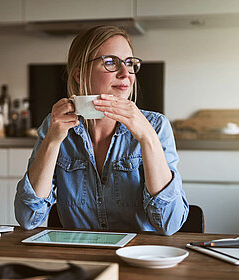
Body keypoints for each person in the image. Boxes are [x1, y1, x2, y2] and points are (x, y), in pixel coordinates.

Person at [15, 25, 189, 236]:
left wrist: (147, 137)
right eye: (110, 62)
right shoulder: (54, 126)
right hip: (80, 259)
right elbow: (28, 218)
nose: (126, 74)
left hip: (139, 258)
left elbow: (169, 224)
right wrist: (52, 141)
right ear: (79, 75)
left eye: (129, 63)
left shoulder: (156, 126)